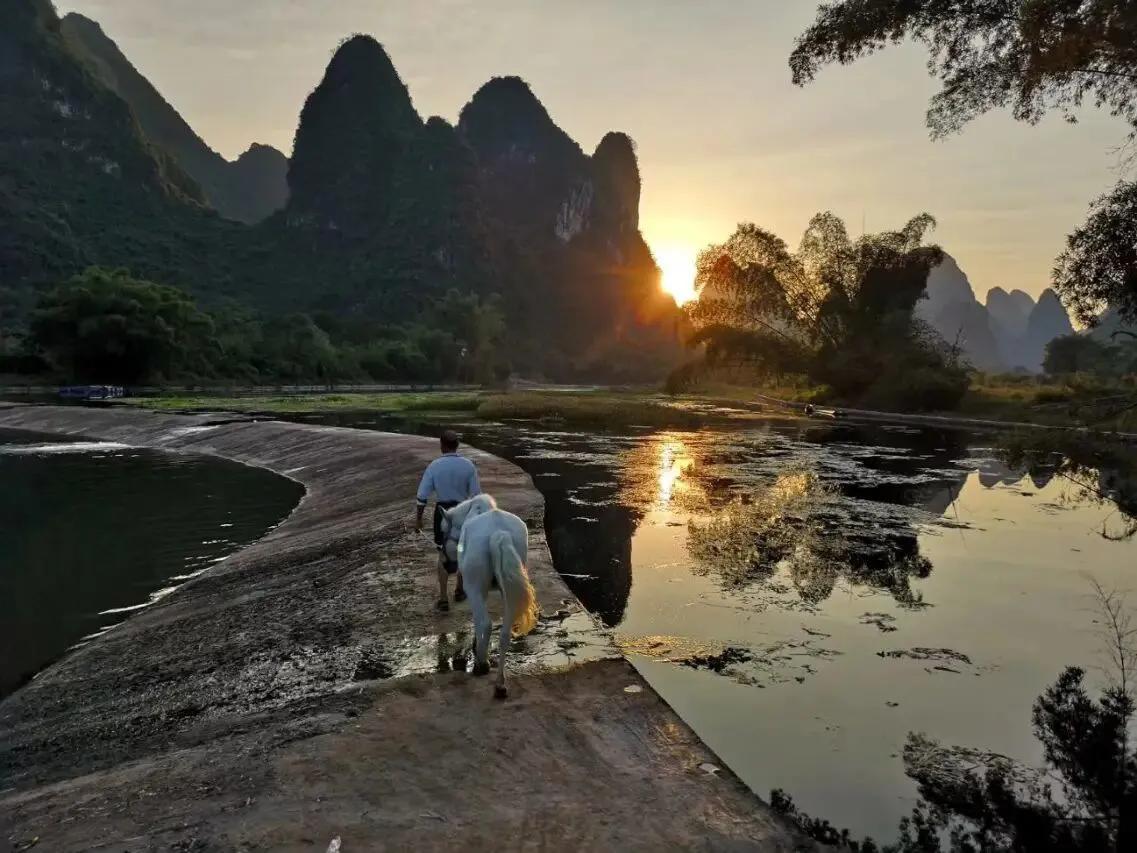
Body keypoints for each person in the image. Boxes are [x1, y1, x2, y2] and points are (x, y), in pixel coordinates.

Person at [415, 429, 481, 611]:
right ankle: (460, 590)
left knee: (443, 554)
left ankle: (444, 598)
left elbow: (422, 496)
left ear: (442, 446)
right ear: (457, 445)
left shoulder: (434, 466)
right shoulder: (469, 466)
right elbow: (476, 496)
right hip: (463, 512)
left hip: (442, 513)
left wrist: (418, 520)